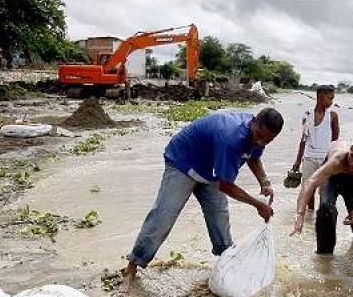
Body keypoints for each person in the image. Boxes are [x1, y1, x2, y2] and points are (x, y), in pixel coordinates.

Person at [121, 109, 283, 286]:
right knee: (164, 215)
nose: (260, 142)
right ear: (253, 122)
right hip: (183, 162)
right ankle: (133, 265)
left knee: (220, 219)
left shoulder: (258, 138)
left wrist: (264, 182)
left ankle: (227, 264)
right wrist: (258, 204)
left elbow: (253, 157)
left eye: (267, 140)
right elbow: (226, 186)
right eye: (259, 135)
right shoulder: (231, 137)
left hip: (211, 170)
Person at [292, 137, 353, 254]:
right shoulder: (337, 161)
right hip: (332, 176)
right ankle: (324, 254)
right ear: (350, 150)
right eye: (352, 156)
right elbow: (311, 182)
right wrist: (300, 214)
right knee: (326, 208)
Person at [290, 85, 339, 210]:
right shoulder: (308, 115)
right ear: (320, 97)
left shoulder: (332, 116)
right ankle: (310, 215)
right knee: (308, 190)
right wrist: (297, 161)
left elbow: (335, 140)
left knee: (325, 192)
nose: (331, 102)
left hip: (326, 160)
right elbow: (303, 139)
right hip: (309, 158)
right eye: (329, 98)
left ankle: (322, 216)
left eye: (332, 99)